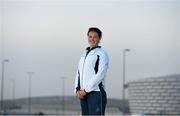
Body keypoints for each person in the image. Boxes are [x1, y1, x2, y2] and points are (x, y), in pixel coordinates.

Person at [74, 27, 109, 115]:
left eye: (95, 37)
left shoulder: (101, 54)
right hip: (83, 94)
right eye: (90, 36)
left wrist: (86, 90)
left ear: (99, 38)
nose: (92, 39)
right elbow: (78, 74)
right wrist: (77, 90)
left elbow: (100, 74)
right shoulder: (83, 55)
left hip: (96, 94)